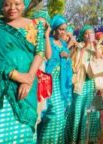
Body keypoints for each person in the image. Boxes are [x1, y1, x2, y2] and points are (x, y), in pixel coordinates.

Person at [0, 0, 45, 144]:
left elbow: (40, 53)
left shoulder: (36, 26)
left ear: (24, 5)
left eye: (17, 4)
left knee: (22, 129)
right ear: (1, 6)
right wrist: (15, 75)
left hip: (27, 85)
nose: (12, 8)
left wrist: (28, 79)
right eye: (7, 4)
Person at [65, 26, 103, 144]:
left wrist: (95, 46)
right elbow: (72, 63)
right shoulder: (78, 47)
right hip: (80, 83)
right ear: (82, 35)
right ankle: (75, 139)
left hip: (94, 85)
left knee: (92, 112)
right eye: (86, 34)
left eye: (91, 33)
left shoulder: (100, 47)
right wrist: (82, 47)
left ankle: (88, 140)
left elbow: (101, 62)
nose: (88, 35)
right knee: (78, 110)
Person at [38, 15, 73, 144]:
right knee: (53, 115)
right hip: (48, 83)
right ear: (54, 29)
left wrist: (67, 54)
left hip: (61, 84)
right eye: (60, 29)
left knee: (60, 117)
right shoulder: (49, 40)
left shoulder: (63, 44)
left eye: (64, 29)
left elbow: (67, 61)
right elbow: (48, 56)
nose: (62, 32)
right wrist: (47, 35)